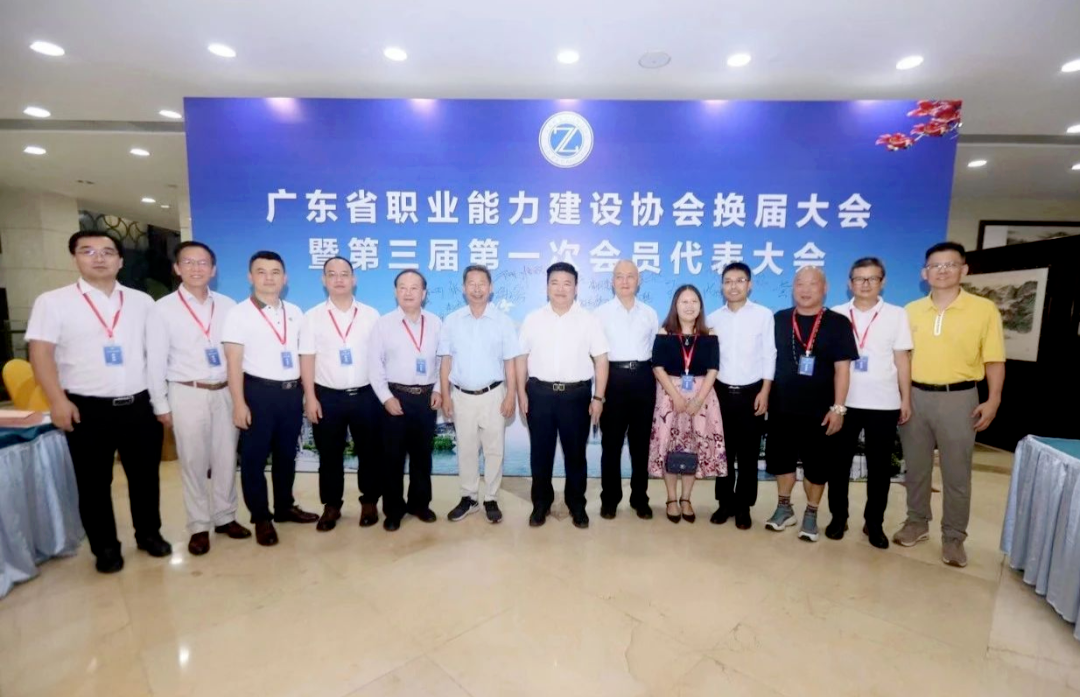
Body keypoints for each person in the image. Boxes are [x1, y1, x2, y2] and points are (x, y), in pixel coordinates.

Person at [27, 231, 171, 573]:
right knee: (93, 483)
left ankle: (149, 534)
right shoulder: (53, 302)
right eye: (88, 251)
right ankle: (105, 547)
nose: (99, 258)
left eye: (107, 252)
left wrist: (160, 402)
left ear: (120, 260)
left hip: (138, 405)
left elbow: (154, 355)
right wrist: (57, 401)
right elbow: (40, 354)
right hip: (86, 407)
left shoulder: (141, 302)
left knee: (145, 477)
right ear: (75, 258)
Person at [895, 242, 1004, 567]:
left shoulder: (984, 309)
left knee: (957, 472)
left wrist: (994, 398)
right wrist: (902, 397)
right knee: (916, 468)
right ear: (924, 273)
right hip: (915, 397)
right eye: (935, 265)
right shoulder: (910, 310)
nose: (942, 271)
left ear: (964, 270)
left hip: (960, 399)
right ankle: (916, 522)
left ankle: (954, 537)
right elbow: (902, 358)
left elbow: (994, 359)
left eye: (950, 264)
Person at [149, 241, 250, 556]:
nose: (196, 268)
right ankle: (198, 525)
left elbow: (238, 354)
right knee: (193, 461)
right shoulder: (162, 309)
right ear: (177, 268)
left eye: (203, 262)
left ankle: (225, 516)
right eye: (189, 262)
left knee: (225, 457)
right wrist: (161, 404)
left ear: (213, 269)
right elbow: (155, 361)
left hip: (225, 390)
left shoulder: (228, 305)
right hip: (186, 390)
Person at [222, 251, 318, 547]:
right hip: (258, 393)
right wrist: (239, 403)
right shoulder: (239, 313)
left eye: (275, 272)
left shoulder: (295, 312)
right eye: (261, 272)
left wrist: (309, 395)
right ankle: (261, 517)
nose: (269, 278)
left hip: (291, 394)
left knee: (286, 456)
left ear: (284, 278)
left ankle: (284, 507)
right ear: (250, 277)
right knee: (253, 459)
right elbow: (233, 362)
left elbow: (305, 356)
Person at [764, 266, 858, 542]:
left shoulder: (838, 323)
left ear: (825, 288)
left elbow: (842, 369)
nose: (805, 290)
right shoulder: (779, 319)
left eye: (812, 284)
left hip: (820, 410)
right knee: (782, 462)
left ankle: (811, 513)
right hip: (781, 407)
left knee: (817, 468)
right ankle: (784, 508)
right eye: (799, 284)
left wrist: (838, 408)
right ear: (792, 288)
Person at [516, 262, 609, 529]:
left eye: (567, 283)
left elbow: (601, 360)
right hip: (540, 394)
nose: (561, 288)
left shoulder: (589, 320)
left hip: (576, 396)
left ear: (576, 288)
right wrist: (521, 392)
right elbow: (521, 358)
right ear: (547, 287)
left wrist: (598, 398)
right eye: (555, 283)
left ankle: (576, 505)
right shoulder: (533, 319)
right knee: (540, 454)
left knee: (576, 455)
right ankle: (540, 504)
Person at [828, 257, 913, 549]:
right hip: (845, 403)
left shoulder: (896, 314)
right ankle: (839, 517)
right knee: (838, 465)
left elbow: (902, 359)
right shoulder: (837, 314)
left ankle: (874, 523)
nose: (865, 284)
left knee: (879, 468)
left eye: (872, 278)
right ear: (849, 283)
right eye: (859, 278)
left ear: (882, 281)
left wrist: (906, 398)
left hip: (884, 403)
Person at [298, 256, 382, 532]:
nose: (339, 279)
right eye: (332, 274)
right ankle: (331, 505)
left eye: (344, 274)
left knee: (369, 453)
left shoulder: (371, 315)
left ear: (354, 279)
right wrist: (310, 397)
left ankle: (369, 502)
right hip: (327, 396)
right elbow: (307, 358)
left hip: (366, 395)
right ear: (324, 280)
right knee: (329, 455)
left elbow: (379, 358)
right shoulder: (312, 317)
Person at [438, 265, 520, 524]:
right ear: (463, 288)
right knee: (466, 449)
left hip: (494, 394)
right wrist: (446, 396)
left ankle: (491, 498)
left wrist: (511, 396)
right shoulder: (452, 321)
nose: (477, 289)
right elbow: (446, 362)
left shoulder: (503, 321)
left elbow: (510, 363)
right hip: (461, 396)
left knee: (495, 450)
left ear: (491, 287)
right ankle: (469, 497)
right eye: (471, 284)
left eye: (481, 283)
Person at [369, 270, 443, 532]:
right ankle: (393, 510)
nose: (408, 292)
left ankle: (420, 504)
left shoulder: (435, 323)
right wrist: (386, 398)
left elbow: (443, 361)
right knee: (392, 458)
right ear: (395, 292)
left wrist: (438, 389)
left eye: (414, 288)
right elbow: (374, 365)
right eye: (403, 287)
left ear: (424, 293)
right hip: (395, 397)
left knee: (422, 457)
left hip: (426, 398)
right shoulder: (383, 324)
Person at [648, 285, 726, 524]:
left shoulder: (709, 334)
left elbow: (713, 368)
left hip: (702, 397)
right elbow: (657, 367)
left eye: (694, 301)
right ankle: (671, 498)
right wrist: (676, 397)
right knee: (669, 447)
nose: (689, 306)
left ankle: (686, 498)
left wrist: (699, 399)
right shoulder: (665, 333)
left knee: (693, 447)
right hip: (669, 396)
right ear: (676, 305)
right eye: (684, 301)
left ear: (700, 306)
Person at [706, 262, 775, 530]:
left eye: (739, 280)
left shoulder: (763, 315)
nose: (733, 286)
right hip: (720, 393)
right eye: (728, 281)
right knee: (722, 452)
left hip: (752, 393)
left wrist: (765, 391)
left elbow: (769, 354)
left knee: (748, 455)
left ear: (750, 284)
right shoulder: (713, 318)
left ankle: (744, 505)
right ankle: (725, 502)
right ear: (722, 286)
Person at [594, 260, 659, 520]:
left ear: (638, 281)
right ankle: (610, 499)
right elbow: (596, 356)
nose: (625, 281)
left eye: (630, 276)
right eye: (619, 276)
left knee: (640, 445)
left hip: (643, 378)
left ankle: (639, 498)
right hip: (613, 379)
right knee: (611, 445)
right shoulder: (600, 314)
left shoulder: (649, 313)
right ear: (612, 281)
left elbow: (655, 351)